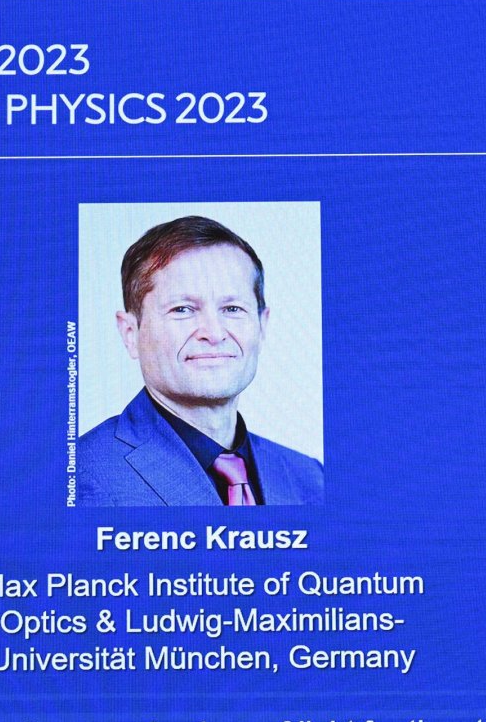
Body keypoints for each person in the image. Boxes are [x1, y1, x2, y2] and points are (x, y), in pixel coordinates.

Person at [78, 216, 323, 506]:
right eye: (183, 309)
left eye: (232, 308)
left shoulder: (312, 478)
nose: (214, 333)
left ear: (262, 325)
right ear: (131, 333)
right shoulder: (80, 477)